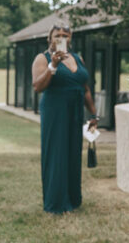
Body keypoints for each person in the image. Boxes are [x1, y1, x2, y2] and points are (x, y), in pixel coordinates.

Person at [31, 25, 98, 214]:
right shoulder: (42, 58)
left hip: (76, 111)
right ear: (49, 39)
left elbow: (85, 88)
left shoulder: (77, 58)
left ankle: (73, 199)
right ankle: (56, 203)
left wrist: (93, 114)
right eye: (57, 35)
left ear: (70, 38)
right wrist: (53, 65)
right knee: (56, 154)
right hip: (55, 111)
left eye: (65, 35)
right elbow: (37, 86)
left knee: (72, 153)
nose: (61, 38)